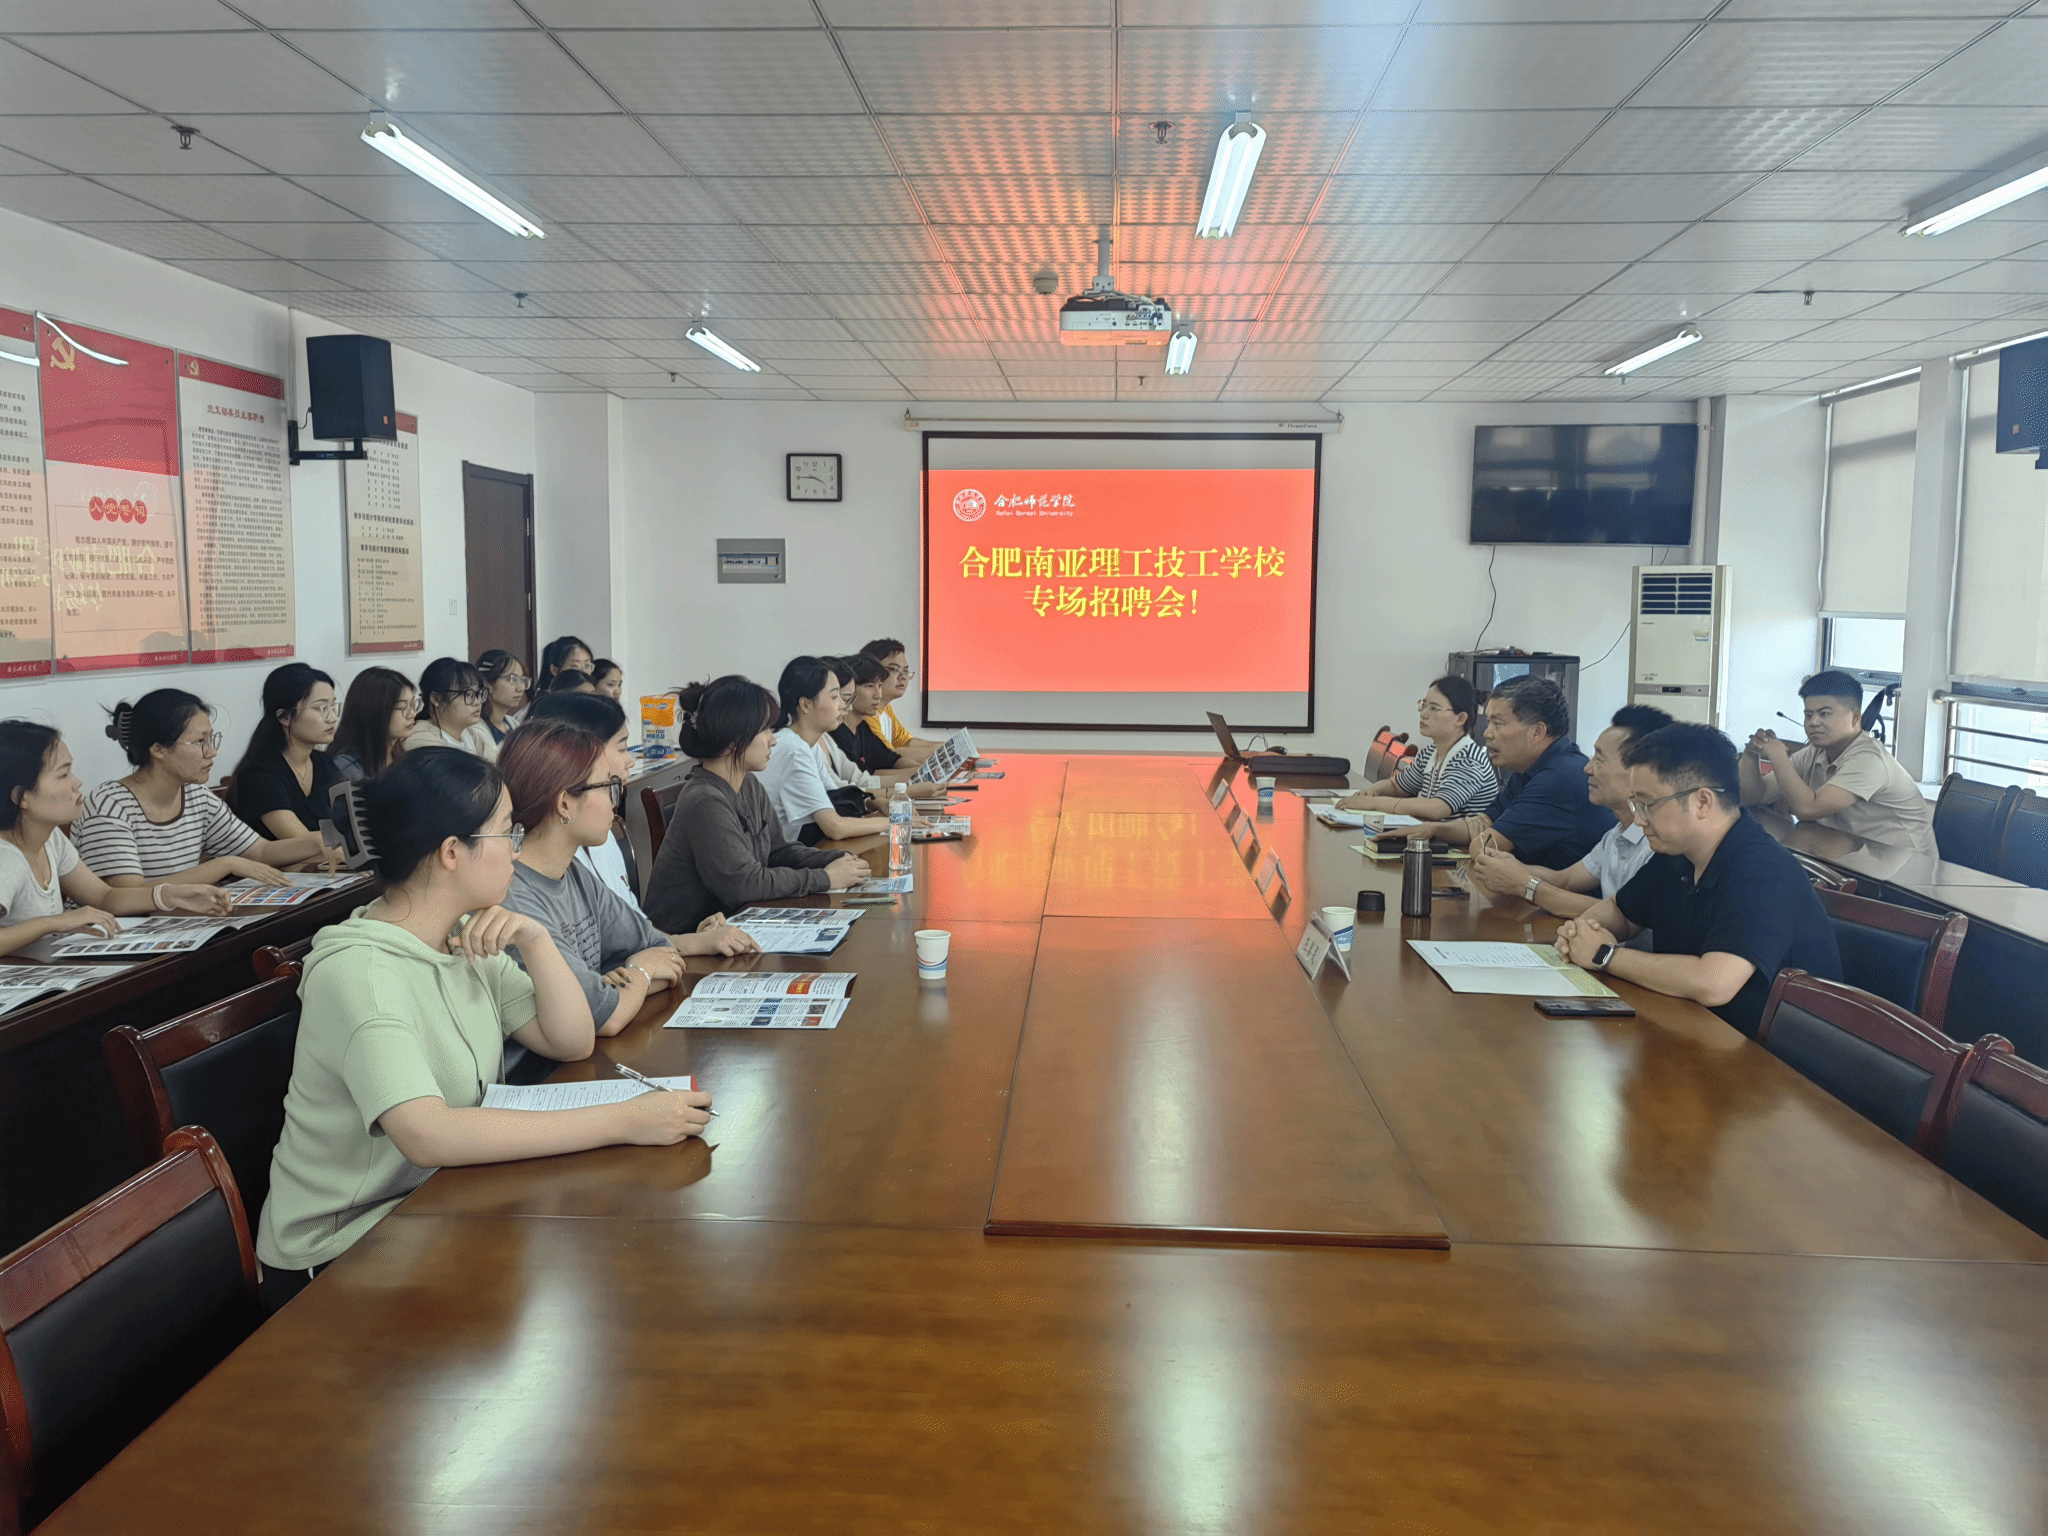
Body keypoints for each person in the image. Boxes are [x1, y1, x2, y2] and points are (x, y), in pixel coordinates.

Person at [256, 748, 713, 1311]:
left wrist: (536, 940)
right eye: (507, 832)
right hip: (345, 1244)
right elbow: (429, 1135)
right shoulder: (362, 974)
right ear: (453, 852)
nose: (517, 849)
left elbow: (570, 1041)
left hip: (441, 1199)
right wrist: (625, 1120)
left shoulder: (463, 937)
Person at [1555, 723, 1843, 1038]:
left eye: (1647, 805)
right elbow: (1622, 912)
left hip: (1764, 1056)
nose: (1638, 819)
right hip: (1691, 1029)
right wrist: (1580, 933)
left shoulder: (1762, 870)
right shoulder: (1678, 853)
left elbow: (1713, 983)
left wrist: (1604, 955)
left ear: (1702, 802)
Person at [499, 717, 758, 1036]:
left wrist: (624, 982)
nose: (615, 798)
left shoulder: (573, 872)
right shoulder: (515, 898)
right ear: (564, 803)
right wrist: (641, 971)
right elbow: (602, 1016)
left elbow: (660, 949)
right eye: (606, 786)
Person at [642, 675, 867, 933]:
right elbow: (745, 884)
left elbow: (779, 852)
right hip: (691, 942)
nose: (773, 740)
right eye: (765, 730)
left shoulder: (747, 783)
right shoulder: (704, 801)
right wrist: (826, 878)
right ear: (733, 739)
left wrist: (837, 859)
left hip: (734, 926)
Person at [0, 722, 231, 955]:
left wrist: (169, 895)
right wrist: (54, 923)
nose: (77, 782)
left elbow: (105, 897)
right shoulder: (6, 858)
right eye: (63, 774)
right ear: (21, 796)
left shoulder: (50, 840)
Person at [77, 690, 327, 888]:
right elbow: (128, 895)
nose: (212, 752)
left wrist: (320, 842)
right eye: (200, 741)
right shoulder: (109, 805)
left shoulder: (197, 797)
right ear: (159, 750)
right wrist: (225, 865)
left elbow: (260, 851)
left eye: (211, 739)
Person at [1469, 704, 1674, 927]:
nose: (1588, 768)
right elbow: (1565, 880)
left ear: (1638, 771)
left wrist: (1525, 885)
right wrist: (1512, 868)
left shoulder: (1658, 845)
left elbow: (1622, 915)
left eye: (1600, 759)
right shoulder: (1619, 833)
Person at [1377, 675, 1611, 866]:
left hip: (1569, 906)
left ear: (1537, 732)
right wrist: (1433, 829)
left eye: (1497, 724)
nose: (1487, 733)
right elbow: (1485, 821)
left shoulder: (1558, 777)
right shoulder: (1528, 768)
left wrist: (1477, 837)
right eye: (1488, 722)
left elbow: (1484, 846)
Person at [1739, 669, 1937, 858]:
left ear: (1855, 718)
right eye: (1808, 715)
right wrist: (1751, 755)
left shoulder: (1869, 759)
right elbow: (1756, 796)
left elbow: (1808, 808)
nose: (1813, 722)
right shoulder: (1815, 752)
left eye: (1824, 714)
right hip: (1850, 854)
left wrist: (1778, 756)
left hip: (1906, 867)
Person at [760, 656, 896, 845]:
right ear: (806, 704)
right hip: (774, 855)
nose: (843, 705)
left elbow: (835, 798)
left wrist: (870, 803)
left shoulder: (809, 745)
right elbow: (834, 827)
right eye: (834, 697)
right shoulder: (793, 749)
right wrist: (896, 821)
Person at [526, 690, 641, 908]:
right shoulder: (552, 860)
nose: (631, 761)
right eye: (622, 748)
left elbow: (632, 919)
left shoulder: (598, 829)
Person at [1338, 676, 1496, 819]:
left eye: (1434, 708)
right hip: (1429, 835)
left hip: (1456, 842)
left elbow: (1437, 808)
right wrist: (1373, 791)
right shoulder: (1430, 753)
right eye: (1424, 705)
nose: (1423, 714)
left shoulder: (1469, 760)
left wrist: (1374, 803)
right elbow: (1397, 786)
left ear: (1460, 719)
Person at [228, 663, 346, 843]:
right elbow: (302, 842)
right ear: (284, 716)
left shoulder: (324, 763)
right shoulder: (259, 775)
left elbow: (347, 822)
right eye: (321, 708)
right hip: (286, 861)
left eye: (333, 707)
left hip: (326, 860)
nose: (332, 718)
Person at [857, 638, 940, 766]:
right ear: (871, 671)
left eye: (905, 671)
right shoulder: (866, 713)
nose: (903, 677)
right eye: (894, 669)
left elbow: (906, 742)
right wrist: (942, 753)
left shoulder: (886, 708)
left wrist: (944, 746)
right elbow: (888, 755)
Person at [329, 667, 415, 782]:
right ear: (374, 710)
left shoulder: (401, 755)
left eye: (413, 704)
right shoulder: (348, 769)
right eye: (402, 706)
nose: (412, 714)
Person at [406, 657, 498, 761]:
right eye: (468, 694)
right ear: (436, 698)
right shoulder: (421, 739)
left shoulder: (469, 734)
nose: (477, 702)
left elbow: (498, 764)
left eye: (478, 693)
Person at [477, 649, 530, 747]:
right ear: (487, 683)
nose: (521, 688)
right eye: (512, 679)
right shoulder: (474, 730)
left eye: (522, 680)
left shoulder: (514, 725)